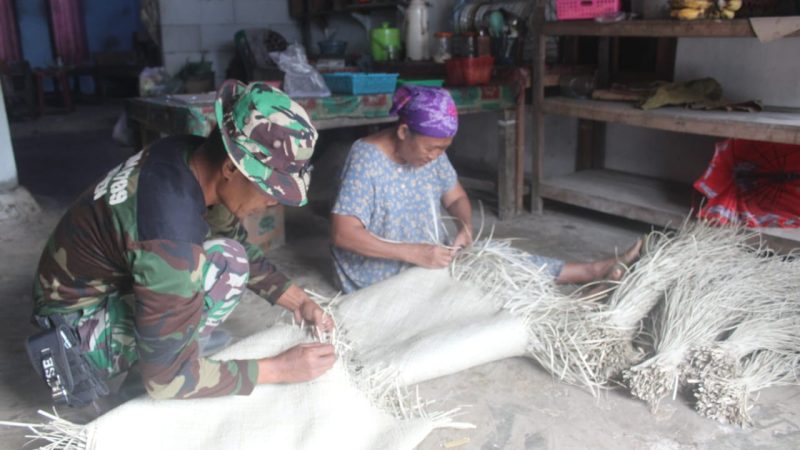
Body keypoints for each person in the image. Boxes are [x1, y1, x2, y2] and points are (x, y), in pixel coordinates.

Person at [30, 80, 335, 404]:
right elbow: (166, 379)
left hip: (84, 291)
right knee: (222, 272)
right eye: (270, 190)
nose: (274, 203)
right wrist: (279, 369)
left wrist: (298, 300)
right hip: (71, 340)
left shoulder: (187, 154)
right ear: (231, 168)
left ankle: (172, 333)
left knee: (228, 256)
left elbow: (234, 238)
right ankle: (129, 404)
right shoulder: (169, 236)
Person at [330, 85, 641, 293]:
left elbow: (457, 197)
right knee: (477, 289)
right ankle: (589, 283)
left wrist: (464, 227)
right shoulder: (366, 158)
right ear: (402, 131)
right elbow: (343, 233)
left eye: (443, 149)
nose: (436, 156)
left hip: (426, 253)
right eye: (432, 148)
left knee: (495, 258)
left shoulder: (429, 154)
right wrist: (412, 252)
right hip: (376, 271)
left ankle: (593, 271)